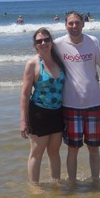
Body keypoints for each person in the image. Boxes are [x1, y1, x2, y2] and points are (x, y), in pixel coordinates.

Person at [54, 11, 100, 182]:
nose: (74, 26)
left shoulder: (93, 42)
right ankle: (72, 183)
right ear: (65, 25)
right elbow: (46, 68)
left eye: (77, 22)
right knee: (73, 149)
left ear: (83, 24)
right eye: (71, 23)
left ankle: (95, 181)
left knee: (94, 148)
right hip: (70, 105)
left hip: (93, 104)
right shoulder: (57, 45)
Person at [20, 28, 66, 183]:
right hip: (39, 114)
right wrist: (23, 121)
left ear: (51, 42)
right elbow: (25, 95)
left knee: (54, 152)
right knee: (36, 153)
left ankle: (56, 183)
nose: (43, 43)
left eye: (46, 39)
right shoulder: (32, 64)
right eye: (39, 41)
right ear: (35, 45)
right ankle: (34, 187)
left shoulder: (59, 60)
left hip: (58, 113)